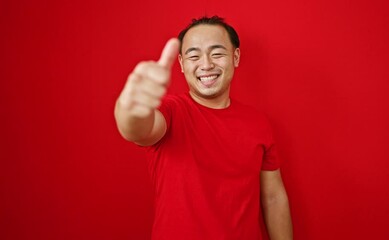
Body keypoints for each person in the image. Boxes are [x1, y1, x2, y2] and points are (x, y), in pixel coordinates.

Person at [114, 16, 293, 240]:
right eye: (193, 56)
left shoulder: (259, 122)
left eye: (217, 53)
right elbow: (139, 130)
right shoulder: (171, 111)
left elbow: (273, 197)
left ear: (235, 57)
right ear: (181, 63)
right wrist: (129, 108)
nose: (206, 64)